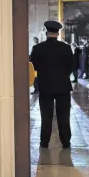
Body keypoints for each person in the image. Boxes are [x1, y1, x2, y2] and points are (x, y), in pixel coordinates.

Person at [30, 20, 74, 149]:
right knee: (64, 116)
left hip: (46, 86)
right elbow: (71, 65)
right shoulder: (66, 47)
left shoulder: (38, 48)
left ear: (46, 32)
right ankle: (66, 142)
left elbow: (34, 66)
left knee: (46, 116)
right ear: (58, 33)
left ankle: (44, 142)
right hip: (63, 86)